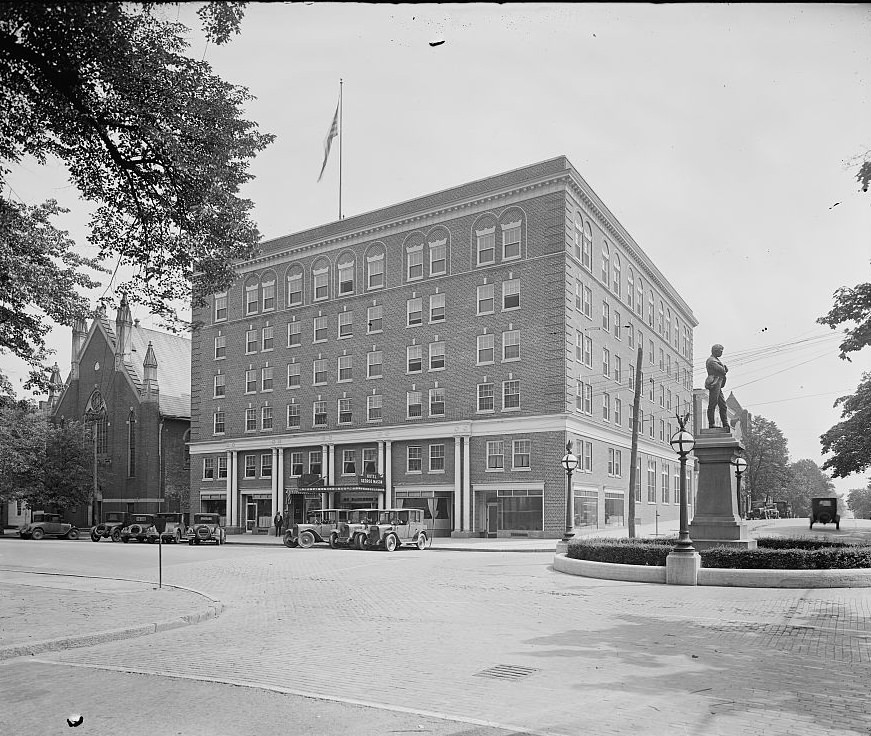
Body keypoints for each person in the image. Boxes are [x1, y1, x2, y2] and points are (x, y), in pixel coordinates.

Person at [704, 343, 729, 429]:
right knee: (712, 404)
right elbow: (722, 370)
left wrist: (724, 369)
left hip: (718, 382)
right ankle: (711, 424)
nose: (722, 352)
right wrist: (724, 369)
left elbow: (722, 370)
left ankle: (725, 424)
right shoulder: (712, 361)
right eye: (720, 351)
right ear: (715, 351)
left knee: (723, 405)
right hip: (715, 383)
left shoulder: (716, 360)